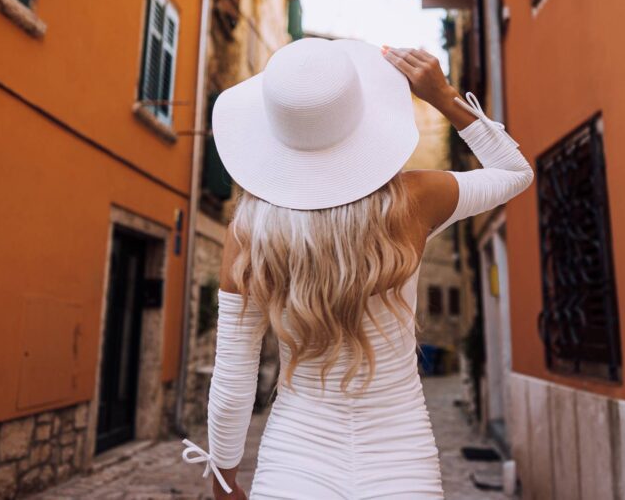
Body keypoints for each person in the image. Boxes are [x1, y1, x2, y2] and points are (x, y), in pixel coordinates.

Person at [179, 37, 534, 499]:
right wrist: (442, 96)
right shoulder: (416, 200)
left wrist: (224, 480)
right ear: (362, 119)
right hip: (404, 464)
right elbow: (514, 172)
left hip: (292, 463)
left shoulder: (248, 232)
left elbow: (234, 379)